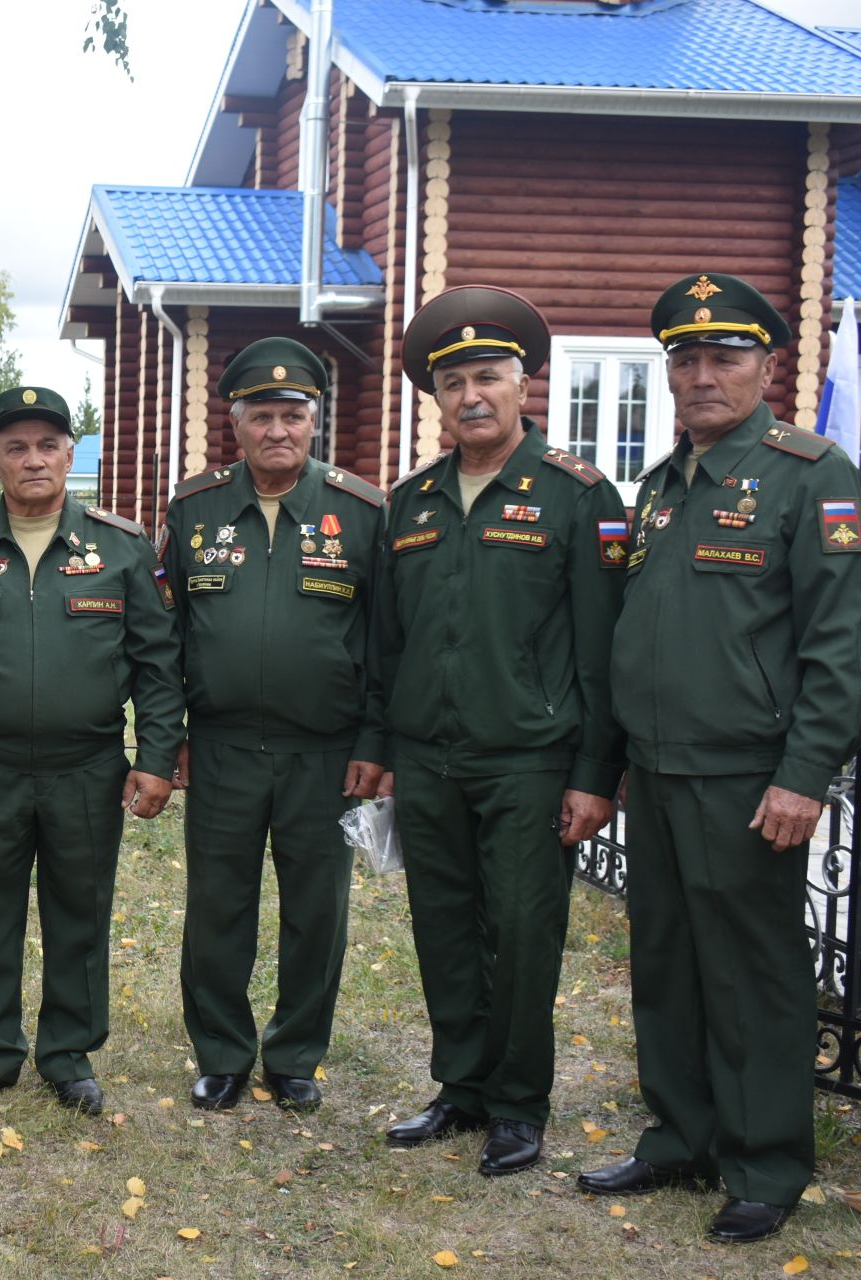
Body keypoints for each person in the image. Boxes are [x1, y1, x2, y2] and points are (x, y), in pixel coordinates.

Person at [577, 273, 861, 1244]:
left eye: (723, 356)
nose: (702, 374)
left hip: (750, 776)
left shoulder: (809, 474)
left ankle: (765, 1158)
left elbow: (842, 642)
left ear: (767, 364)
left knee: (752, 973)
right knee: (666, 963)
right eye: (685, 359)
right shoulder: (660, 488)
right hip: (656, 772)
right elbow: (635, 637)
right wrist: (611, 766)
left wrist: (805, 772)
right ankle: (681, 1134)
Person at [371, 287, 626, 1176]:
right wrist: (384, 745)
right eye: (453, 383)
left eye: (489, 376)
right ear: (434, 398)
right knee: (441, 924)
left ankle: (520, 1104)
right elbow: (387, 643)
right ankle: (461, 1087)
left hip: (530, 760)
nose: (471, 395)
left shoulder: (577, 495)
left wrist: (595, 772)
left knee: (521, 933)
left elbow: (599, 650)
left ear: (525, 386)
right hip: (430, 759)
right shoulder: (412, 503)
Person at [0, 385, 182, 1116]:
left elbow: (158, 664)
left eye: (48, 445)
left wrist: (155, 756)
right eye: (16, 446)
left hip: (87, 765)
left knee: (79, 909)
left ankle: (68, 1053)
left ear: (69, 454)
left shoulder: (120, 547)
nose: (33, 460)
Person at [160, 339, 386, 1114]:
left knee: (316, 912)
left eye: (294, 415)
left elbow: (386, 643)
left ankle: (294, 1056)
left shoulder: (360, 513)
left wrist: (374, 744)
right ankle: (221, 1054)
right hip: (221, 748)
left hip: (324, 754)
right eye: (263, 416)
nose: (278, 430)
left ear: (315, 421)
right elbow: (168, 639)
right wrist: (172, 737)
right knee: (217, 909)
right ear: (237, 423)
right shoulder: (193, 509)